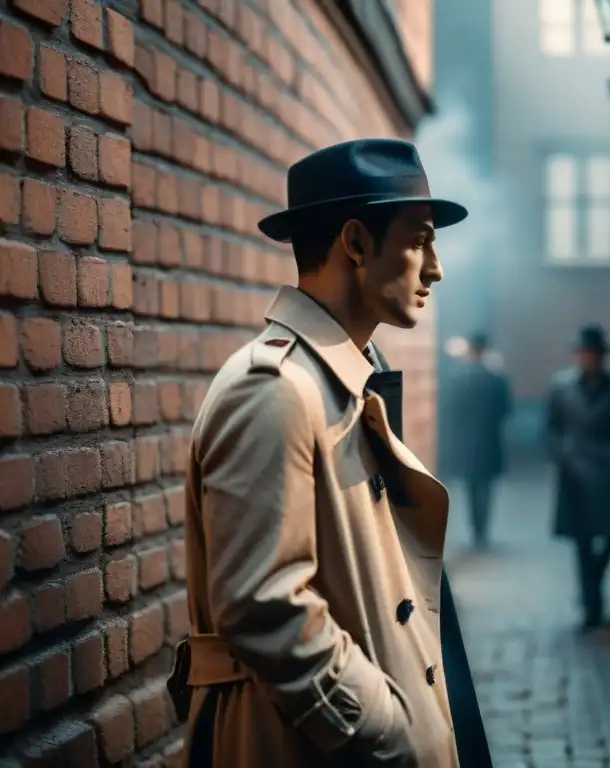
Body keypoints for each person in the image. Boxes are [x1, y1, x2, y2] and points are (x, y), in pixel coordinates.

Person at [170, 139, 491, 767]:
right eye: (419, 239)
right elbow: (266, 608)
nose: (435, 268)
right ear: (355, 243)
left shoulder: (341, 377)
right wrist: (392, 732)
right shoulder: (273, 390)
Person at [545, 325, 610, 630]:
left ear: (602, 357)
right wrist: (564, 456)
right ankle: (592, 606)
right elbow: (550, 430)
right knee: (582, 543)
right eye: (584, 354)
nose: (589, 359)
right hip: (575, 477)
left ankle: (594, 584)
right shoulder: (562, 388)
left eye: (594, 354)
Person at [444, 333, 512, 547]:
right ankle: (482, 530)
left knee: (471, 488)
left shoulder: (457, 379)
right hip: (489, 442)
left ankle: (476, 529)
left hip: (465, 443)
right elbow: (506, 410)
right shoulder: (496, 379)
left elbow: (450, 411)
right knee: (485, 489)